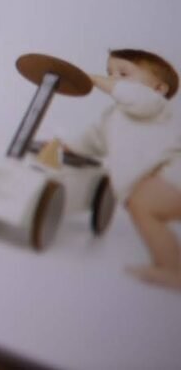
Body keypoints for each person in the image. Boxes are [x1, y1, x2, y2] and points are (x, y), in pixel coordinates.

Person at [63, 49, 181, 290]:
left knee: (143, 205)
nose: (114, 79)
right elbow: (94, 140)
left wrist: (97, 80)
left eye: (123, 73)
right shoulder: (112, 117)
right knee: (141, 208)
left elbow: (136, 97)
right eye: (109, 72)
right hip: (148, 184)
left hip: (170, 175)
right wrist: (69, 148)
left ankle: (173, 269)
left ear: (159, 89)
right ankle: (171, 267)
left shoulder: (155, 104)